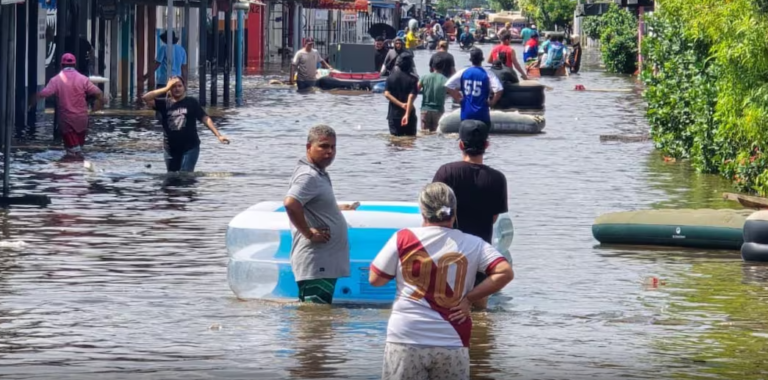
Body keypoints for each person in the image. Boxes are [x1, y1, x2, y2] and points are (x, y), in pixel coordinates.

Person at [370, 182, 514, 380]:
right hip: (452, 338)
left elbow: (376, 280)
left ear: (422, 212)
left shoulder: (403, 238)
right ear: (454, 213)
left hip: (407, 336)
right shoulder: (474, 243)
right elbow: (505, 273)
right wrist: (469, 298)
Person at [432, 120, 509, 308]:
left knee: (445, 308)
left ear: (460, 144)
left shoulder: (446, 172)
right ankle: (479, 337)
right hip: (480, 252)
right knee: (479, 310)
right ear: (486, 145)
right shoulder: (497, 178)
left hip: (448, 251)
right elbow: (493, 218)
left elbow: (433, 213)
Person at [283, 125, 360, 304]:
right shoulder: (308, 175)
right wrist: (309, 233)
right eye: (323, 146)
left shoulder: (318, 173)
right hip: (316, 261)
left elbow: (310, 204)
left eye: (333, 147)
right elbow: (291, 203)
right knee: (313, 321)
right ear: (309, 147)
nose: (329, 152)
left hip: (324, 261)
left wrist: (335, 208)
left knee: (317, 321)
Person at [143, 77, 230, 172]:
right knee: (172, 178)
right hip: (170, 149)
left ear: (185, 87)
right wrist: (166, 88)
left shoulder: (191, 102)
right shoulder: (164, 103)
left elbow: (205, 118)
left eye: (180, 86)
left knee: (185, 175)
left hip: (190, 147)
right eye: (173, 86)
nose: (177, 89)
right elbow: (146, 98)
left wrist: (218, 135)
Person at [29, 53, 103, 159]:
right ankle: (79, 172)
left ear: (61, 65)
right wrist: (98, 104)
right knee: (78, 149)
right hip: (82, 120)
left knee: (72, 152)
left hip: (67, 121)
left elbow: (44, 94)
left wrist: (32, 100)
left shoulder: (56, 80)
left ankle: (69, 171)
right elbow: (99, 93)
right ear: (75, 64)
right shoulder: (83, 79)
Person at [446, 48, 503, 127]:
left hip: (466, 114)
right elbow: (499, 89)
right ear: (482, 59)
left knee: (464, 138)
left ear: (470, 60)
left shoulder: (463, 71)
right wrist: (491, 103)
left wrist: (459, 99)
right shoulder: (488, 73)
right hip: (482, 114)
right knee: (484, 138)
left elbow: (448, 85)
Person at [384, 53, 419, 136]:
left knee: (395, 143)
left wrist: (401, 104)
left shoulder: (390, 78)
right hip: (410, 114)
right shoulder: (413, 79)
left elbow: (386, 94)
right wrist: (406, 114)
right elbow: (411, 97)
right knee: (410, 143)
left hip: (394, 115)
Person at [418, 64, 448, 133]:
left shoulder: (424, 77)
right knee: (436, 135)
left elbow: (415, 90)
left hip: (425, 110)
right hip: (438, 111)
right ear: (443, 67)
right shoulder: (445, 80)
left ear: (433, 67)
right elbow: (454, 93)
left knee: (424, 134)